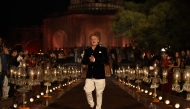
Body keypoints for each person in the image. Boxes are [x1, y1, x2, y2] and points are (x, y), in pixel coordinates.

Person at [82, 32, 108, 109]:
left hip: (100, 75)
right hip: (90, 75)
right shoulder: (87, 51)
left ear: (98, 40)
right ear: (90, 40)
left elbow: (106, 60)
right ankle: (91, 103)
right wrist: (90, 60)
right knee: (87, 90)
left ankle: (98, 107)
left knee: (99, 93)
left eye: (95, 39)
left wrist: (95, 60)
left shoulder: (103, 50)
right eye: (92, 39)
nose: (93, 40)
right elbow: (84, 61)